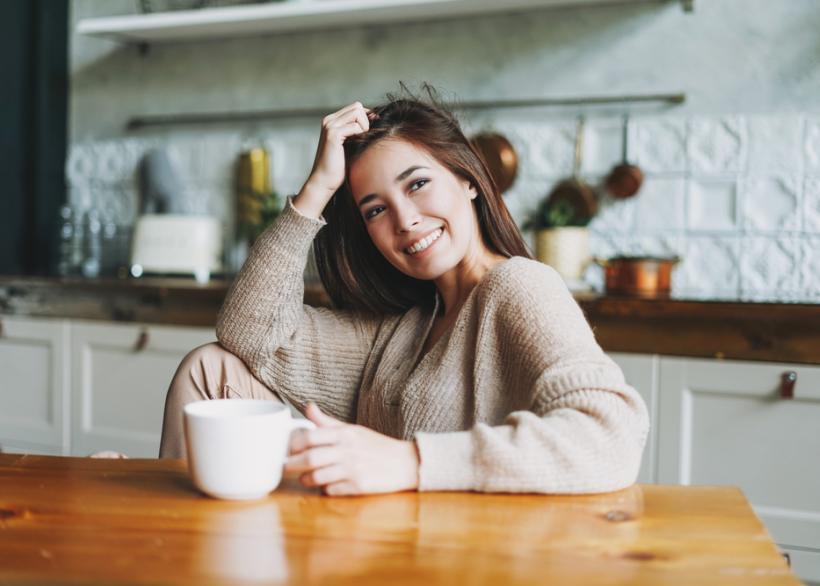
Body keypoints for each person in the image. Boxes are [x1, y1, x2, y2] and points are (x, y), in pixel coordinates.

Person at [159, 86, 649, 497]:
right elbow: (247, 333)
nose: (405, 220)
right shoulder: (409, 322)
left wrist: (410, 462)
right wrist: (317, 189)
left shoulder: (518, 285)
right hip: (382, 546)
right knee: (210, 366)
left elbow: (610, 435)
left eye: (417, 184)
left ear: (468, 180)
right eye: (375, 209)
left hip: (470, 561)